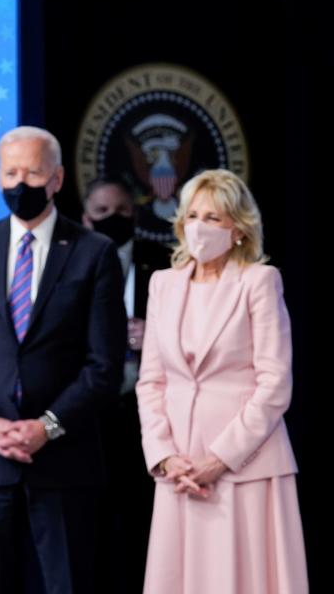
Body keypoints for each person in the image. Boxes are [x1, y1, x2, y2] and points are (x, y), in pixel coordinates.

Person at [0, 126, 126, 594]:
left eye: (33, 172)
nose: (21, 183)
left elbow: (105, 365)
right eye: (11, 172)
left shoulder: (94, 253)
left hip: (65, 459)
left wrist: (47, 427)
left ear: (57, 179)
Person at [136, 169, 307, 593]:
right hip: (179, 473)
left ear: (238, 229)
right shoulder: (163, 285)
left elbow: (274, 385)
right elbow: (151, 381)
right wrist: (164, 457)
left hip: (243, 470)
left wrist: (219, 459)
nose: (199, 227)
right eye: (192, 216)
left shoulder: (259, 282)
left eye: (213, 218)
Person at [81, 176, 170, 592]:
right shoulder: (71, 266)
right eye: (102, 213)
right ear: (85, 219)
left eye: (121, 212)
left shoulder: (165, 263)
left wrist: (155, 333)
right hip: (89, 417)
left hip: (150, 417)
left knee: (143, 524)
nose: (112, 219)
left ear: (134, 215)